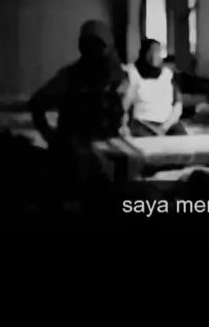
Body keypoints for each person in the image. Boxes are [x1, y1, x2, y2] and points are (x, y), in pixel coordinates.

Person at [29, 20, 129, 196]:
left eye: (101, 46)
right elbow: (37, 103)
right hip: (77, 148)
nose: (97, 51)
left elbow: (119, 108)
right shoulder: (70, 76)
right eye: (91, 45)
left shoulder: (116, 73)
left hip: (108, 143)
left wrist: (123, 125)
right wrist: (52, 138)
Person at [124, 39, 186, 137]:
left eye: (158, 51)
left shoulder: (168, 74)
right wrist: (124, 125)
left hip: (169, 124)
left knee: (181, 138)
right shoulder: (132, 73)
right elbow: (125, 104)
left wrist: (165, 127)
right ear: (144, 52)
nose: (154, 55)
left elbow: (178, 103)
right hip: (142, 123)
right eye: (151, 51)